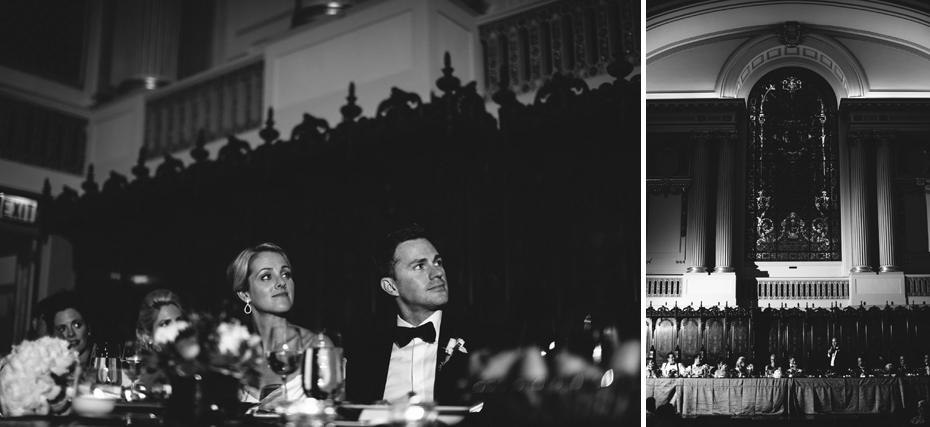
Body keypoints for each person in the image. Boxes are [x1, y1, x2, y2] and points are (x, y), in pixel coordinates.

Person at [346, 224, 503, 405]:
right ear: (391, 287)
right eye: (419, 266)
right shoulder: (363, 357)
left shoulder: (485, 341)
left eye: (437, 262)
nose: (437, 273)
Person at [229, 243, 316, 403]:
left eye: (286, 274)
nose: (281, 282)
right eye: (266, 276)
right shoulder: (236, 357)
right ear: (245, 295)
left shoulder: (314, 346)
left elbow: (334, 414)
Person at [43, 290, 95, 370]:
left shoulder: (105, 367)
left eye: (77, 325)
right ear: (52, 335)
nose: (71, 334)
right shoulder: (47, 369)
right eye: (62, 329)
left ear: (89, 328)